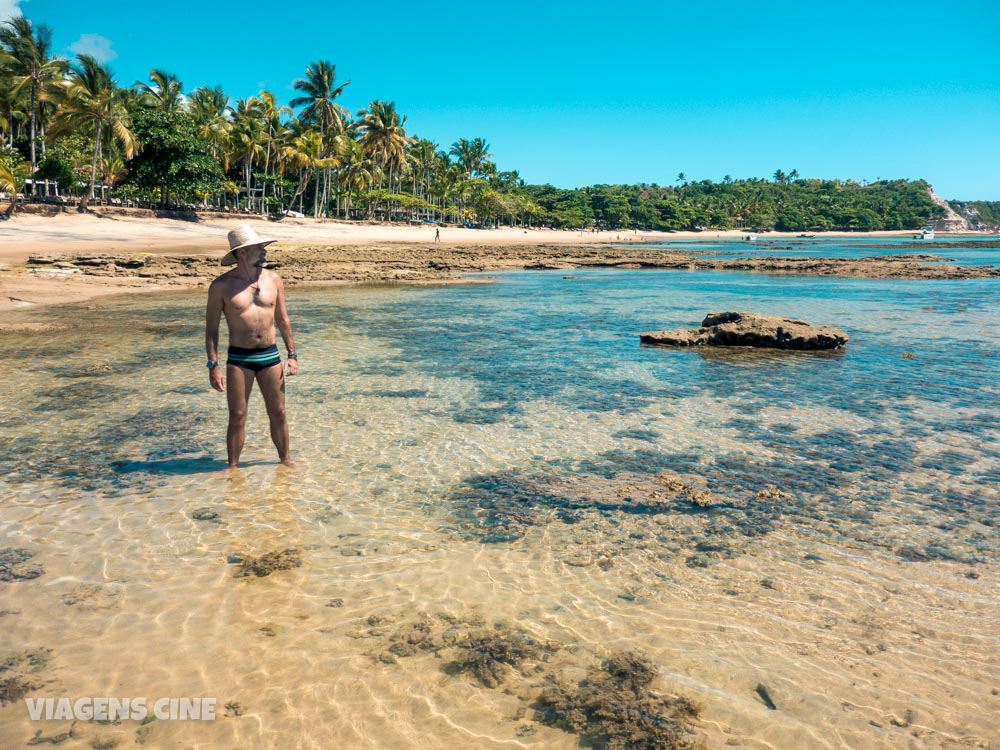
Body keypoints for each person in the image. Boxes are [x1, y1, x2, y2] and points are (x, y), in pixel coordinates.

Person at [205, 224, 299, 469]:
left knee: (278, 412)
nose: (264, 251)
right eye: (259, 247)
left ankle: (285, 462)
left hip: (270, 355)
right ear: (244, 252)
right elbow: (211, 330)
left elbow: (283, 319)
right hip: (239, 359)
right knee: (237, 416)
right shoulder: (221, 287)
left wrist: (292, 354)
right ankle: (233, 468)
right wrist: (212, 365)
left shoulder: (274, 279)